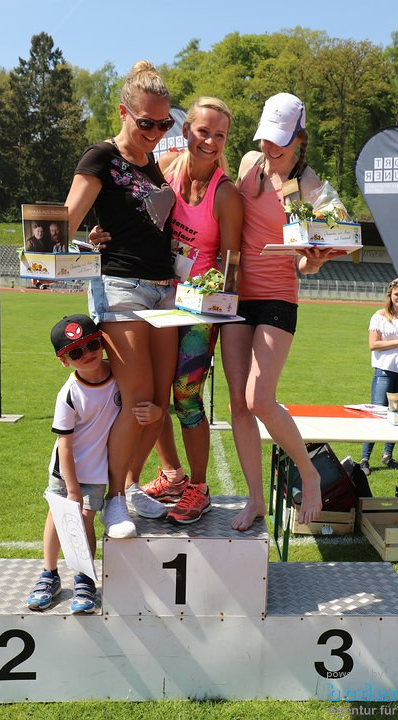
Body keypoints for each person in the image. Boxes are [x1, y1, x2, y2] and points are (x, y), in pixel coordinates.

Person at [63, 60, 178, 535]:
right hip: (120, 286)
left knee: (159, 400)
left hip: (164, 289)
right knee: (136, 399)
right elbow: (64, 221)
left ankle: (129, 486)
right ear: (123, 112)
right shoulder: (100, 157)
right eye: (146, 122)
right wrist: (84, 242)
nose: (155, 132)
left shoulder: (154, 162)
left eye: (164, 124)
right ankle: (113, 500)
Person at [222, 92, 342, 531]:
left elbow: (306, 262)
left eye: (280, 143)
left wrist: (318, 257)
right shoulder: (250, 164)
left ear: (299, 139)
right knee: (237, 403)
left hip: (277, 297)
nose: (271, 150)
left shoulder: (311, 187)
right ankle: (256, 500)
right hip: (236, 295)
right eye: (266, 140)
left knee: (259, 398)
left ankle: (308, 473)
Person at [135, 97, 243, 524]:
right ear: (186, 131)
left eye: (219, 135)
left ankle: (199, 487)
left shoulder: (226, 194)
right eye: (203, 131)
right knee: (154, 392)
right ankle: (171, 473)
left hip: (198, 311)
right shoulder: (166, 170)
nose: (211, 141)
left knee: (186, 395)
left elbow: (232, 267)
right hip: (161, 299)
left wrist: (212, 297)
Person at [27, 314, 159, 612]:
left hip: (98, 471)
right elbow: (64, 443)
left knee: (86, 521)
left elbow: (142, 411)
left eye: (92, 345)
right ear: (64, 360)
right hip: (67, 470)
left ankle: (84, 577)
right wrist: (72, 489)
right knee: (59, 518)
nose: (86, 355)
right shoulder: (69, 394)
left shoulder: (119, 379)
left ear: (102, 343)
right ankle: (48, 574)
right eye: (75, 353)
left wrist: (156, 413)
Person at [359, 278, 398, 474]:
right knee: (377, 413)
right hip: (384, 371)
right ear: (390, 295)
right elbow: (373, 344)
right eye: (396, 294)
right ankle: (364, 458)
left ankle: (388, 455)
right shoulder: (379, 317)